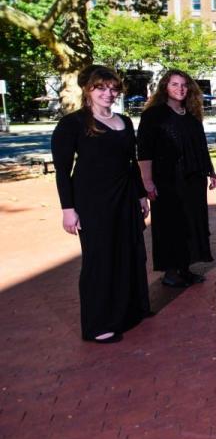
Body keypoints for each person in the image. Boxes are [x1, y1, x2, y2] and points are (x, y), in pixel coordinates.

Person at [51, 66, 151, 343]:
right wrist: (68, 209)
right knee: (100, 260)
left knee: (130, 253)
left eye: (113, 88)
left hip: (125, 197)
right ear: (87, 89)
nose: (108, 93)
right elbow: (62, 171)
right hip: (93, 202)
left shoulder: (125, 122)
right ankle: (98, 324)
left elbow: (131, 162)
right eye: (101, 88)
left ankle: (130, 310)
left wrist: (141, 194)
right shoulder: (72, 124)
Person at [137, 69, 216, 288]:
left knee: (191, 222)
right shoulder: (154, 115)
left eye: (183, 85)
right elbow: (144, 151)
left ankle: (185, 267)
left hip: (193, 178)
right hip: (167, 179)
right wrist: (147, 182)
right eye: (174, 84)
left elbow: (200, 146)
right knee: (171, 224)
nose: (180, 89)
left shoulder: (191, 115)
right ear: (165, 87)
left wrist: (210, 171)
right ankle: (171, 271)